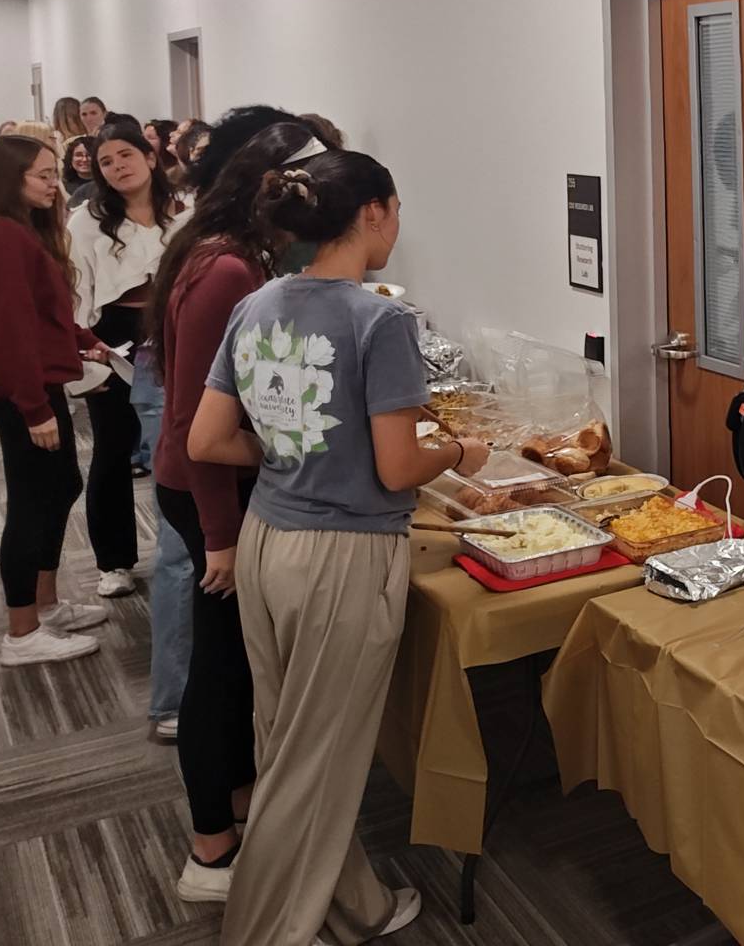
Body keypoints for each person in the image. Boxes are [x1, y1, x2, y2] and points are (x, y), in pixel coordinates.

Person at [187, 151, 485, 943]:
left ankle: (356, 905)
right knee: (315, 761)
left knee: (288, 742)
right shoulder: (379, 319)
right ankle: (262, 930)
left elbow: (207, 440)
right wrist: (460, 454)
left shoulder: (255, 306)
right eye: (398, 209)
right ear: (375, 212)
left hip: (267, 542)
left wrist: (296, 452)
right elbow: (397, 467)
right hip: (342, 558)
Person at [151, 118, 326, 899]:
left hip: (213, 488)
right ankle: (209, 850)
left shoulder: (231, 254)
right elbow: (196, 428)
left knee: (240, 664)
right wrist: (220, 540)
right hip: (207, 494)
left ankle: (240, 802)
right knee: (220, 671)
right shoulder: (225, 271)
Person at [0, 135, 112, 666]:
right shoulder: (5, 240)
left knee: (62, 484)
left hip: (34, 384)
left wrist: (84, 341)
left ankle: (46, 604)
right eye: (42, 175)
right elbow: (8, 332)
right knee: (32, 501)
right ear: (10, 180)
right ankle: (21, 633)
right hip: (22, 392)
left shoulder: (19, 234)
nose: (53, 184)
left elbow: (40, 313)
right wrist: (34, 408)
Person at [70, 121, 187, 596]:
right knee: (114, 447)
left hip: (177, 331)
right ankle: (113, 560)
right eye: (106, 162)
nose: (118, 166)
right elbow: (76, 292)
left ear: (150, 157)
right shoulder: (86, 220)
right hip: (114, 336)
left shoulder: (187, 211)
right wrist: (85, 361)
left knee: (178, 445)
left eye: (126, 155)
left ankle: (184, 549)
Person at [64, 135, 97, 206]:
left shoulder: (106, 184)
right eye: (79, 155)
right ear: (71, 158)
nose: (84, 159)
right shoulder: (63, 186)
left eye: (89, 155)